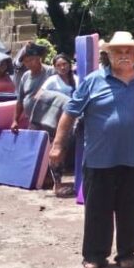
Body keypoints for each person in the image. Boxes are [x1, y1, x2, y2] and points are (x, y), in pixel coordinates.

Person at [49, 32, 134, 268]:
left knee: (130, 208)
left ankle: (127, 252)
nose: (124, 55)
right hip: (99, 158)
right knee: (98, 209)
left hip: (133, 157)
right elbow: (70, 112)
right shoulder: (93, 80)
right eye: (118, 51)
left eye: (129, 51)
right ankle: (95, 255)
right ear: (108, 54)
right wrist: (57, 145)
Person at [38, 53, 80, 198]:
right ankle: (57, 184)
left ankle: (67, 181)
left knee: (67, 150)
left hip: (72, 121)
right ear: (55, 67)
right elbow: (39, 96)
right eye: (59, 65)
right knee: (57, 151)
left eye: (65, 64)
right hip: (55, 120)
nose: (62, 67)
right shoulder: (52, 81)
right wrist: (60, 100)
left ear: (70, 65)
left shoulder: (76, 79)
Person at [11, 42, 54, 131]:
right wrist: (15, 120)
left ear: (39, 59)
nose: (28, 64)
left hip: (50, 121)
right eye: (26, 62)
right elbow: (20, 101)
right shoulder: (25, 76)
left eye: (31, 60)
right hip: (33, 122)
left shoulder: (51, 72)